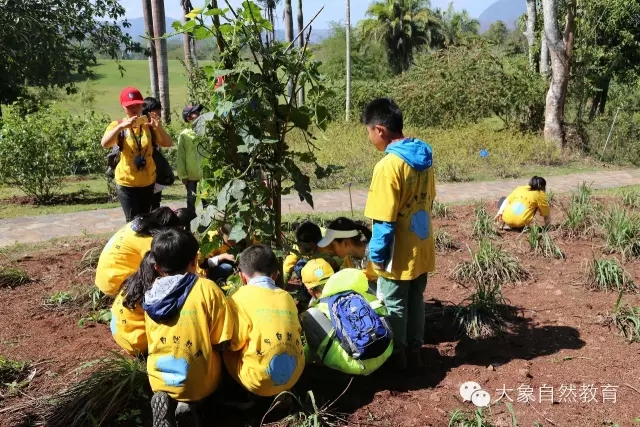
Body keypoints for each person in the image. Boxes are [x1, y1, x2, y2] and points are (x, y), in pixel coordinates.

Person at [361, 98, 436, 371]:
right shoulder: (424, 158)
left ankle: (398, 358)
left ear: (379, 130)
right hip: (422, 245)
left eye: (369, 132)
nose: (370, 138)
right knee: (416, 299)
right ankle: (416, 353)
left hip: (398, 252)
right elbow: (429, 199)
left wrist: (376, 257)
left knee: (393, 303)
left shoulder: (388, 167)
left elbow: (384, 222)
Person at [139, 229, 234, 426]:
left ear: (156, 267)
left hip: (158, 377)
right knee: (218, 362)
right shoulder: (207, 289)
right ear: (194, 260)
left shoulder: (150, 295)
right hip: (198, 380)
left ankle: (169, 396)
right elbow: (221, 341)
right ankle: (192, 404)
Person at [223, 245, 305, 398]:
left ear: (242, 277)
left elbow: (234, 344)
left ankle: (243, 395)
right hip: (295, 374)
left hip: (259, 381)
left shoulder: (237, 298)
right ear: (275, 275)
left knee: (225, 349)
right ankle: (283, 390)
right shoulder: (286, 296)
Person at [300, 262, 393, 376]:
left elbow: (311, 349)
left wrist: (301, 358)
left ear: (309, 290)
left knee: (311, 315)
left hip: (354, 364)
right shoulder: (358, 291)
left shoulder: (319, 308)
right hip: (385, 350)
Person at [101, 87, 173, 222]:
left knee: (146, 220)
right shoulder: (117, 125)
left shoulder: (148, 125)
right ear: (123, 106)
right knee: (132, 222)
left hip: (148, 182)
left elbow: (168, 143)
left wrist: (158, 127)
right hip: (126, 182)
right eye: (130, 106)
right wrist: (121, 127)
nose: (134, 109)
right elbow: (105, 143)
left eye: (137, 105)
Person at [95, 207, 182, 297]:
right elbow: (164, 268)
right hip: (115, 284)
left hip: (105, 277)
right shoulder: (150, 241)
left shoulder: (136, 224)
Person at [177, 104, 206, 221]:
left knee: (206, 200)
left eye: (199, 112)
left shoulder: (205, 132)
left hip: (205, 175)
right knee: (191, 200)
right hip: (190, 176)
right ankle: (190, 223)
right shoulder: (184, 135)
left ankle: (207, 224)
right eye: (195, 113)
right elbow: (181, 156)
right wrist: (183, 175)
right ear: (188, 118)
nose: (199, 114)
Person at [142, 97, 167, 210]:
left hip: (154, 174)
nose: (158, 115)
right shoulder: (138, 127)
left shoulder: (155, 128)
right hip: (140, 175)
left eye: (159, 112)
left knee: (155, 205)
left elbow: (167, 143)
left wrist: (158, 127)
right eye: (155, 112)